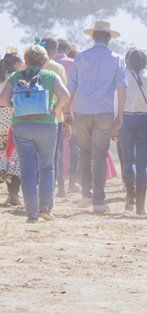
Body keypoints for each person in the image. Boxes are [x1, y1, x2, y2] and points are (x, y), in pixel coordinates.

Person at [0, 45, 71, 222]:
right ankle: (45, 208)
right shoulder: (50, 76)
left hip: (21, 126)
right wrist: (55, 108)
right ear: (44, 60)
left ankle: (31, 213)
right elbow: (65, 95)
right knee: (47, 167)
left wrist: (15, 107)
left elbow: (2, 98)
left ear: (27, 59)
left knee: (28, 169)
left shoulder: (16, 76)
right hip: (47, 125)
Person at [68, 21, 126, 214]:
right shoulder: (117, 58)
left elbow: (71, 86)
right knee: (99, 155)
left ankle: (86, 194)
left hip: (82, 110)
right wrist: (120, 114)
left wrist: (67, 110)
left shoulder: (81, 57)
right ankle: (99, 201)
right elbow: (121, 87)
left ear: (93, 36)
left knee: (84, 152)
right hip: (104, 111)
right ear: (109, 38)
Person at [116, 49, 147, 216]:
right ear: (145, 61)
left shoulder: (122, 76)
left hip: (126, 119)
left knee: (128, 161)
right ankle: (141, 207)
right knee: (142, 164)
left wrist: (117, 121)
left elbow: (116, 101)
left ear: (127, 61)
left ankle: (130, 195)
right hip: (145, 121)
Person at [39, 38, 69, 198]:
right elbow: (64, 95)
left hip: (31, 118)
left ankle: (37, 190)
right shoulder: (58, 68)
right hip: (55, 118)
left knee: (37, 155)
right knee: (55, 155)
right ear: (54, 52)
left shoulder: (27, 67)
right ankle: (58, 189)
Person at [54, 39, 78, 194]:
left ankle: (59, 183)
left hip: (54, 110)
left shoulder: (46, 62)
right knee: (75, 147)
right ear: (68, 49)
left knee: (57, 150)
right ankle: (72, 182)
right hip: (75, 110)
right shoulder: (74, 62)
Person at [0, 51, 24, 206]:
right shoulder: (18, 79)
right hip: (13, 122)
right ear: (15, 64)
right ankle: (13, 195)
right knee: (14, 156)